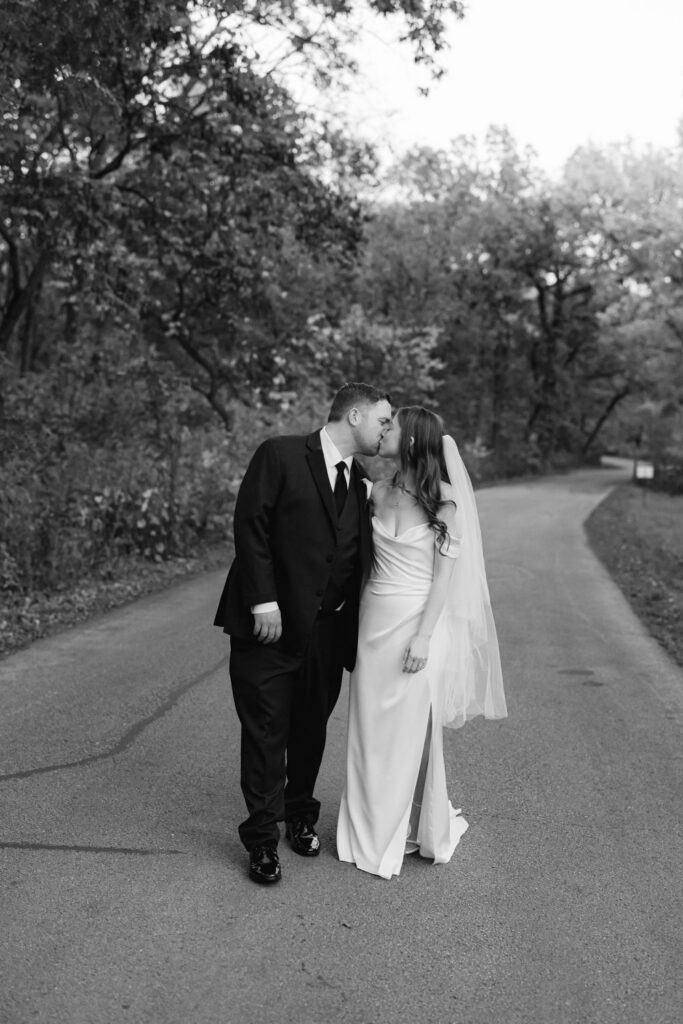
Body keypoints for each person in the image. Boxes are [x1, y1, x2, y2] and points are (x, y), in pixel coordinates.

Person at [214, 382, 392, 884]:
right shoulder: (281, 454)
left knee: (311, 729)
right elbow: (251, 527)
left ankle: (300, 816)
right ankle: (263, 841)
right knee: (266, 731)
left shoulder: (361, 479)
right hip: (267, 627)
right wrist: (262, 601)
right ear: (354, 415)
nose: (386, 431)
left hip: (330, 632)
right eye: (383, 420)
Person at [336, 406, 507, 879]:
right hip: (373, 622)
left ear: (412, 441)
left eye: (393, 428)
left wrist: (424, 637)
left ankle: (405, 826)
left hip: (418, 625)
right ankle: (363, 828)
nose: (385, 431)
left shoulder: (444, 502)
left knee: (410, 732)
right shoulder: (375, 491)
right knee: (368, 729)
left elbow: (444, 582)